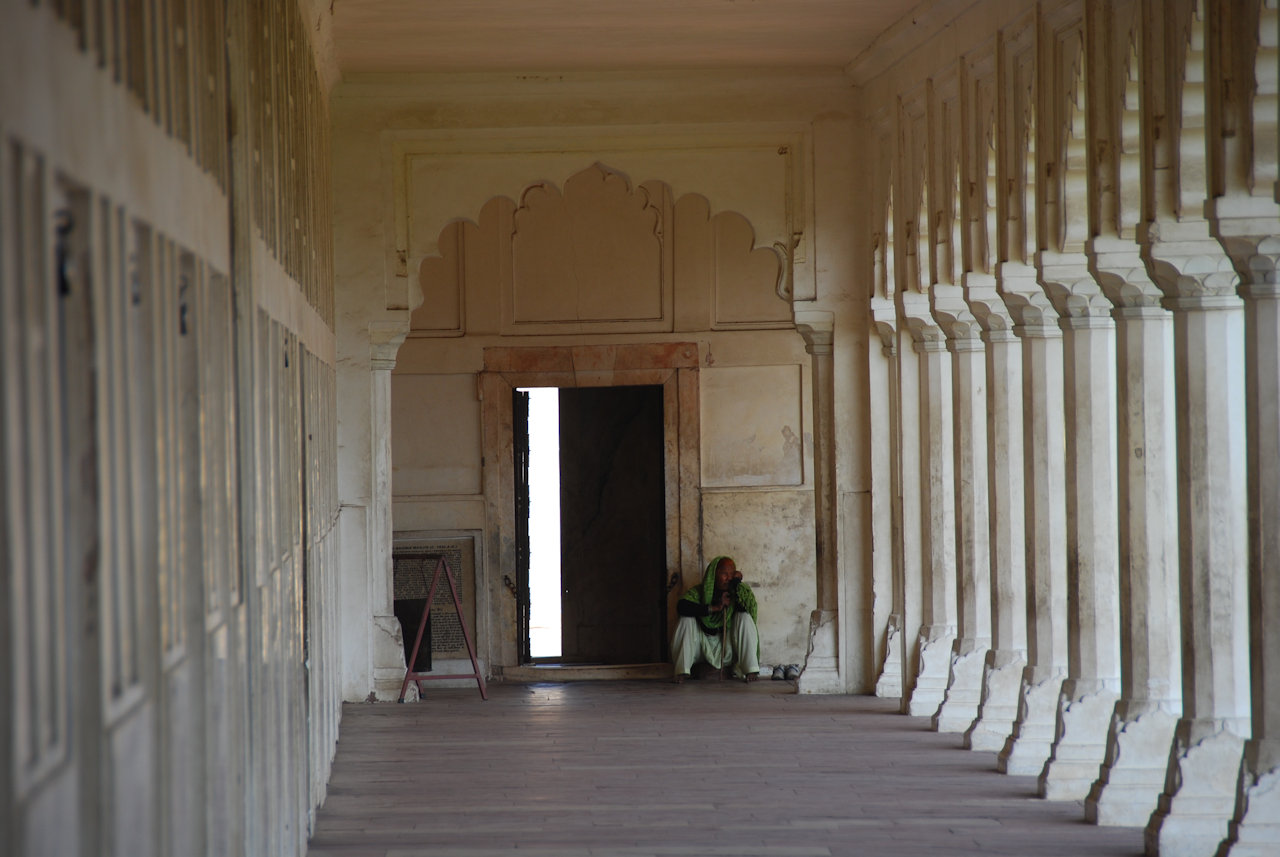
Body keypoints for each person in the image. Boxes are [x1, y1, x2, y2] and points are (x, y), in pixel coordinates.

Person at [671, 555, 760, 682]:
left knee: (744, 617)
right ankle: (682, 671)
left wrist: (736, 584)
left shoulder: (738, 591)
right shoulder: (699, 592)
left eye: (731, 574)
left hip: (727, 646)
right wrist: (714, 608)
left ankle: (751, 670)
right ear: (713, 575)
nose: (728, 578)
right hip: (702, 647)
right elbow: (682, 607)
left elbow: (745, 607)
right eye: (724, 574)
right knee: (686, 620)